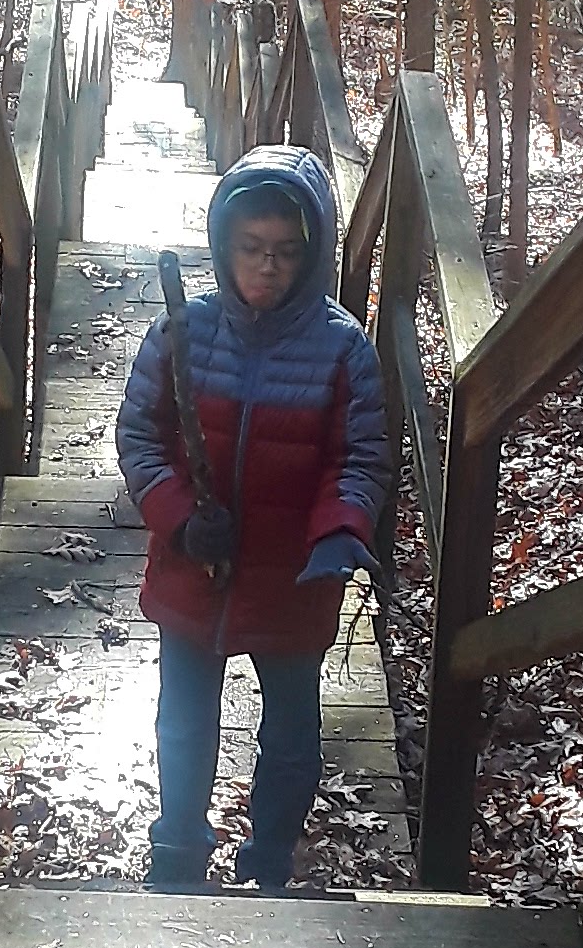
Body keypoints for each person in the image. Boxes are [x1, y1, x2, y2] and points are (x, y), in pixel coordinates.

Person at [115, 143, 390, 890]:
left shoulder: (343, 350)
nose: (267, 267)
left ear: (314, 254)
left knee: (293, 737)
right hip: (194, 570)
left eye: (287, 252)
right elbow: (140, 435)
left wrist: (341, 529)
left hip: (294, 579)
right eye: (251, 248)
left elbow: (360, 458)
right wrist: (179, 518)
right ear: (223, 245)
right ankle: (178, 850)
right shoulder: (183, 333)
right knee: (183, 722)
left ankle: (269, 861)